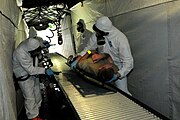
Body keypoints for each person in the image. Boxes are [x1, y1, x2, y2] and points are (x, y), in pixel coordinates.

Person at [76, 16, 134, 95]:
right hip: (102, 61)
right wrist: (79, 57)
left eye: (98, 32)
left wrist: (118, 74)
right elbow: (89, 48)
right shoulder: (97, 34)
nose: (96, 34)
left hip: (117, 65)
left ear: (105, 32)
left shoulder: (120, 39)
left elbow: (128, 63)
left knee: (123, 93)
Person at [12, 27, 54, 120]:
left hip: (32, 75)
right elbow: (30, 70)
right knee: (30, 97)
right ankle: (33, 117)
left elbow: (37, 49)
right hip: (24, 77)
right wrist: (44, 70)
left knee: (37, 93)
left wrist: (43, 46)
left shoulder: (29, 44)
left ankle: (37, 111)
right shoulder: (20, 53)